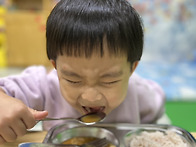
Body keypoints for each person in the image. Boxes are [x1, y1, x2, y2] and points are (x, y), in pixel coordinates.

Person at [0, 0, 165, 144]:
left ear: (132, 69)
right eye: (73, 80)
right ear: (56, 67)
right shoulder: (43, 85)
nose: (90, 97)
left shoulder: (142, 95)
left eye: (109, 81)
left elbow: (157, 124)